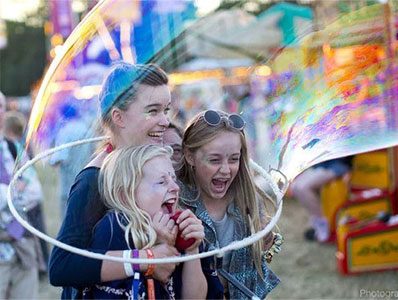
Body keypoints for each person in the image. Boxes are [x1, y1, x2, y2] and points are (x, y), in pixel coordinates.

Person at [48, 62, 179, 298]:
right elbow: (62, 266)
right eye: (153, 111)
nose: (165, 121)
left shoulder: (154, 166)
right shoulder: (93, 180)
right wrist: (147, 259)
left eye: (166, 110)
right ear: (118, 116)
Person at [178, 109, 280, 299]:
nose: (226, 170)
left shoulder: (246, 197)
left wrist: (266, 242)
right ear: (189, 156)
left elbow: (258, 261)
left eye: (234, 159)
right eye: (214, 160)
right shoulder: (176, 201)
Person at [82, 144, 207, 299]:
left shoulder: (179, 226)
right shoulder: (115, 228)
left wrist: (192, 250)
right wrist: (154, 249)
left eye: (174, 179)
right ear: (126, 195)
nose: (175, 187)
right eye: (162, 182)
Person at [0, 92, 40, 298]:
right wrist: (15, 190)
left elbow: (35, 191)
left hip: (22, 245)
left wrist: (7, 196)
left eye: (0, 106)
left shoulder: (12, 147)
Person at [3, 110, 49, 274]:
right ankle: (42, 264)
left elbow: (24, 173)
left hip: (28, 199)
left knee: (32, 234)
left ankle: (40, 265)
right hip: (33, 196)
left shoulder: (13, 146)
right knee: (37, 233)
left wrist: (19, 185)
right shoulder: (18, 145)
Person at [288, 157, 353, 242]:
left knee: (302, 188)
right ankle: (318, 221)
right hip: (320, 165)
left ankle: (322, 224)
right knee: (295, 187)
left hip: (336, 166)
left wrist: (350, 168)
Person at [48, 103, 95, 218]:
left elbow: (60, 157)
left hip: (69, 185)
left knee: (68, 221)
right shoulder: (86, 129)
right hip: (86, 182)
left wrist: (49, 160)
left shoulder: (65, 131)